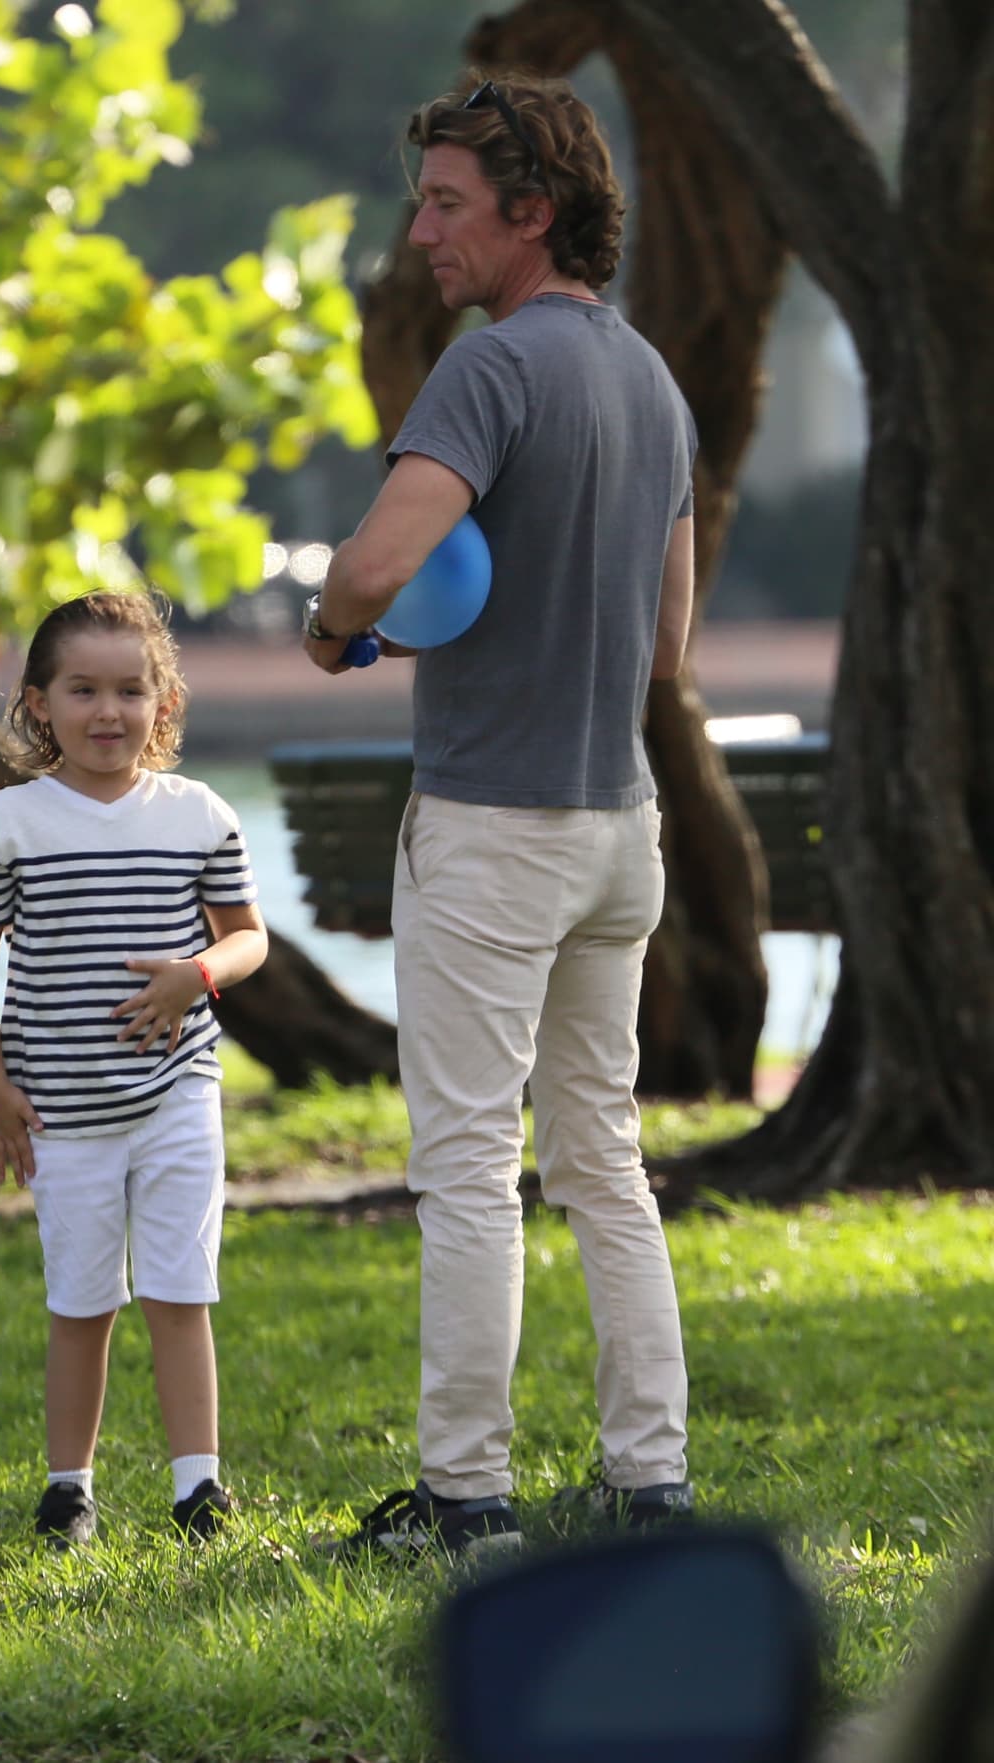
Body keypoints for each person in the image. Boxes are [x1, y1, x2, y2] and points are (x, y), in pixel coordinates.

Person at [302, 74, 697, 1557]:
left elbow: (370, 567)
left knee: (468, 1161)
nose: (421, 236)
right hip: (621, 829)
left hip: (492, 827)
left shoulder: (488, 371)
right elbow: (669, 646)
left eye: (449, 204)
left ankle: (467, 1497)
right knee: (602, 1152)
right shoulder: (653, 383)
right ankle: (647, 1477)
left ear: (533, 212)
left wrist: (338, 622)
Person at [0, 590, 268, 1548]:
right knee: (81, 1300)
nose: (108, 711)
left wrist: (196, 976)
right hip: (59, 1109)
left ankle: (198, 1491)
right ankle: (69, 1491)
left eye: (131, 690)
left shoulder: (199, 814)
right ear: (38, 701)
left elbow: (248, 937)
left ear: (163, 701)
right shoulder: (5, 822)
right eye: (82, 689)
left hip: (178, 1094)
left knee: (181, 1290)